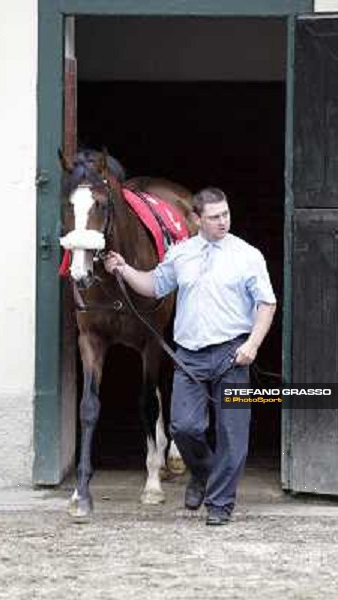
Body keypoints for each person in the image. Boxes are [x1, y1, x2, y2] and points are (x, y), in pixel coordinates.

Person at [104, 187, 276, 525]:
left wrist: (252, 345)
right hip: (190, 358)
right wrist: (123, 270)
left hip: (233, 354)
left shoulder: (248, 255)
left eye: (225, 214)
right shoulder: (180, 254)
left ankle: (219, 504)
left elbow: (266, 304)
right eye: (214, 217)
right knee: (184, 428)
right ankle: (203, 473)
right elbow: (154, 285)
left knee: (233, 436)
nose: (222, 222)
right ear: (196, 219)